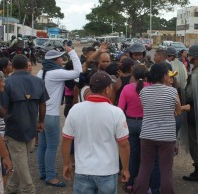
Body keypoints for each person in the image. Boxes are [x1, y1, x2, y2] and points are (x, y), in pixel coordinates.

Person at [62, 71, 130, 194]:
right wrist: (125, 168)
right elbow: (123, 144)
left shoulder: (75, 109)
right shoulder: (116, 112)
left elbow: (66, 139)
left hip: (83, 169)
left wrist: (66, 163)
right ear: (108, 89)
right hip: (107, 171)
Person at [1, 54, 49, 193]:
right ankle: (20, 189)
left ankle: (17, 189)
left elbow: (3, 110)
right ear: (26, 66)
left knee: (20, 164)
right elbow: (43, 104)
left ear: (13, 66)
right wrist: (41, 121)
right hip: (31, 129)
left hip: (14, 130)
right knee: (21, 163)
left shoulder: (7, 82)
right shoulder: (38, 82)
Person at [37, 44, 82, 187]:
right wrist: (72, 53)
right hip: (51, 116)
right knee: (51, 146)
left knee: (42, 145)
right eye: (60, 58)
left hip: (40, 114)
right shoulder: (55, 73)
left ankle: (43, 172)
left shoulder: (41, 73)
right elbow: (78, 71)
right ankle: (50, 177)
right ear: (55, 60)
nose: (62, 60)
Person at [133, 63, 181, 194]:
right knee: (166, 170)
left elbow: (146, 109)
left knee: (145, 168)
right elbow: (178, 110)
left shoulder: (143, 91)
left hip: (147, 134)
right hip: (167, 136)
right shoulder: (172, 91)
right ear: (164, 76)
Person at [118, 65, 150, 192]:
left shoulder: (126, 88)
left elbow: (120, 109)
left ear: (133, 75)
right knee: (146, 155)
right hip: (146, 123)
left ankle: (130, 182)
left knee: (132, 154)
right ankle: (144, 183)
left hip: (130, 123)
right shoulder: (150, 88)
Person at [183, 44, 198, 182]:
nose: (189, 57)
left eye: (190, 55)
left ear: (196, 58)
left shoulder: (197, 73)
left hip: (195, 111)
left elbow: (190, 94)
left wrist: (181, 90)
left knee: (194, 142)